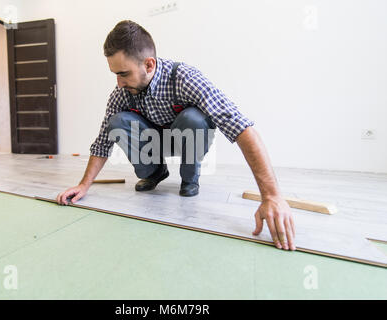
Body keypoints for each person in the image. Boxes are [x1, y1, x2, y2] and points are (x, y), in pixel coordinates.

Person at [57, 20, 296, 250]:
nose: (119, 83)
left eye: (124, 74)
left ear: (149, 65)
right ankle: (155, 172)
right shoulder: (122, 92)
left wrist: (272, 196)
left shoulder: (185, 78)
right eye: (115, 75)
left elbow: (241, 127)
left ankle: (189, 177)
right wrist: (83, 185)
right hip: (154, 143)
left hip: (186, 139)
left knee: (193, 118)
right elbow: (102, 141)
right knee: (117, 122)